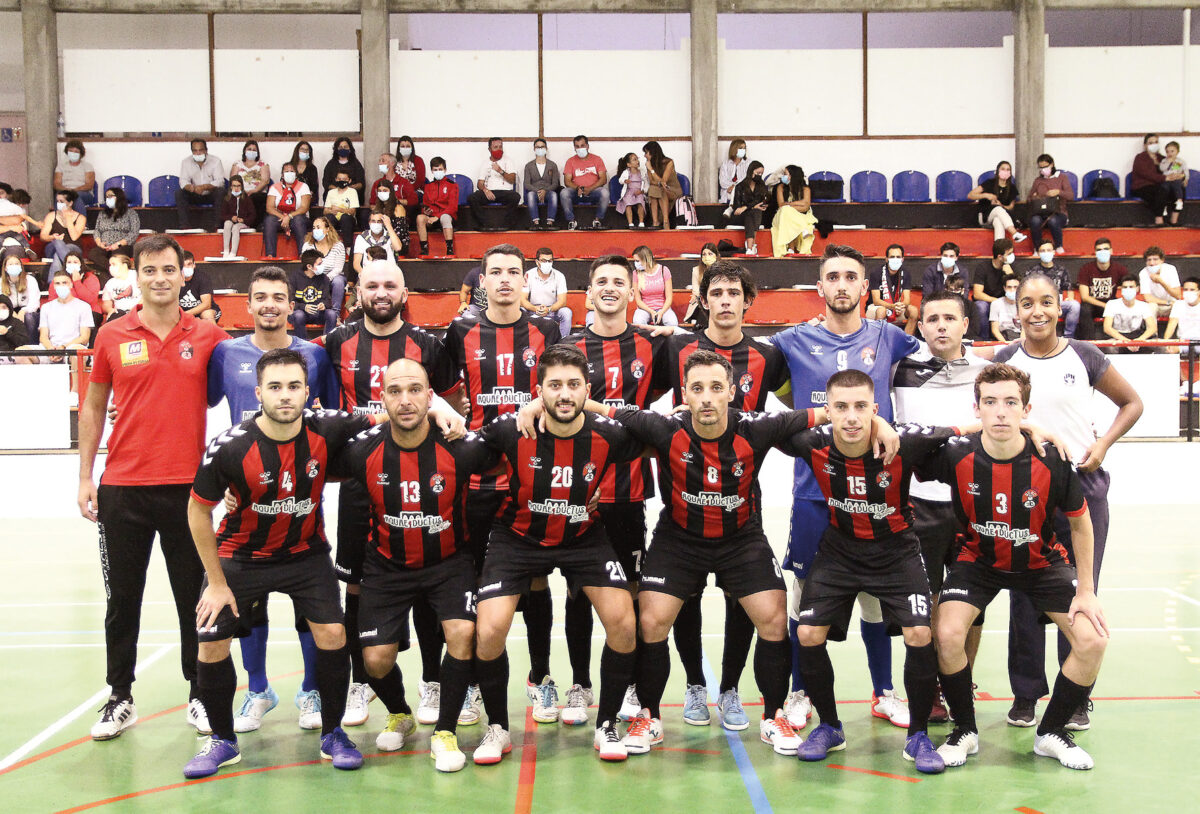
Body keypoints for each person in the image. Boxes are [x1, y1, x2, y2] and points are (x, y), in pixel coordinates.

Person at [596, 351, 825, 757]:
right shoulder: (665, 428)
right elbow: (603, 409)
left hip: (741, 539)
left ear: (732, 392)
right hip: (680, 538)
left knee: (773, 617)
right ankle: (649, 715)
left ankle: (773, 716)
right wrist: (539, 403)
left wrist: (876, 421)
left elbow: (822, 415)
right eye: (697, 388)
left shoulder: (756, 427)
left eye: (716, 388)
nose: (706, 398)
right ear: (684, 393)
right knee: (650, 620)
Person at [183, 348, 373, 778]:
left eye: (293, 387)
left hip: (305, 554)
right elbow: (197, 511)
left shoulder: (328, 428)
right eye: (275, 387)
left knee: (332, 632)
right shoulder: (231, 446)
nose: (285, 396)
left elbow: (395, 416)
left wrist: (440, 410)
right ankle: (223, 740)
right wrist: (215, 583)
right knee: (211, 640)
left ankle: (333, 732)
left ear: (308, 391)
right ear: (259, 393)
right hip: (240, 555)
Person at [77, 234, 230, 741]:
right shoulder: (111, 334)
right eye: (150, 270)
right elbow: (95, 406)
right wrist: (84, 477)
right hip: (123, 488)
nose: (160, 278)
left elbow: (244, 390)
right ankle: (119, 697)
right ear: (136, 276)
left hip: (190, 494)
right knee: (123, 600)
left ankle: (200, 694)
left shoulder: (209, 335)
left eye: (169, 269)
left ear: (183, 273)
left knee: (196, 599)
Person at [769, 244, 922, 732]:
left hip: (878, 495)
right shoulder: (790, 341)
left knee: (875, 600)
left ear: (864, 287)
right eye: (831, 276)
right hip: (814, 495)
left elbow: (947, 359)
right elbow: (755, 378)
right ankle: (798, 693)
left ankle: (884, 692)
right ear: (820, 287)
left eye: (849, 277)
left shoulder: (890, 336)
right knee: (803, 596)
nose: (840, 284)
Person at [928, 364, 1109, 771]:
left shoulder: (1052, 460)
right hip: (977, 560)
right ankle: (965, 730)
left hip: (1041, 563)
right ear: (976, 409)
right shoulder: (955, 455)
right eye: (990, 403)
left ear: (1027, 410)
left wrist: (1086, 591)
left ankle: (1052, 732)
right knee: (947, 632)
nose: (1000, 412)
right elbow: (907, 446)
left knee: (1093, 640)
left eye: (1011, 403)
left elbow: (1081, 525)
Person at [473, 346, 643, 763]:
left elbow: (660, 432)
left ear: (587, 389)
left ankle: (606, 724)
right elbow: (462, 449)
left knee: (624, 622)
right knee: (490, 629)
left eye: (573, 386)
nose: (564, 395)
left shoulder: (611, 435)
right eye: (554, 386)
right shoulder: (511, 430)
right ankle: (497, 727)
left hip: (583, 536)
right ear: (539, 391)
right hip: (517, 537)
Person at [992, 273, 1142, 732]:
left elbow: (1132, 404)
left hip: (1082, 492)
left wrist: (1103, 447)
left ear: (1062, 307)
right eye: (1027, 303)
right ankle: (1025, 694)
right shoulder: (1005, 359)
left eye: (1046, 302)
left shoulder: (1087, 355)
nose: (1037, 311)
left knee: (1081, 591)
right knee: (1023, 595)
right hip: (1023, 496)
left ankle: (1074, 697)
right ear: (1015, 310)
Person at [319, 260, 465, 730]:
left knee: (424, 578)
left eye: (390, 285)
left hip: (421, 479)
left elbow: (451, 403)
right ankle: (362, 680)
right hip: (362, 483)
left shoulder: (427, 344)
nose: (381, 293)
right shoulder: (336, 341)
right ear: (357, 291)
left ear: (405, 292)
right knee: (358, 583)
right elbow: (325, 411)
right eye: (372, 285)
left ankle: (431, 680)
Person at [787, 371, 952, 774]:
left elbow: (967, 428)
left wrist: (1031, 425)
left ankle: (918, 735)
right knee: (808, 633)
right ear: (827, 411)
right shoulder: (812, 443)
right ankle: (829, 726)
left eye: (862, 407)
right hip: (839, 551)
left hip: (896, 552)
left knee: (919, 632)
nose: (851, 417)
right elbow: (763, 426)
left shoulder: (905, 442)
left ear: (875, 409)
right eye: (841, 407)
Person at [331, 358, 490, 772]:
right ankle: (400, 713)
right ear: (382, 398)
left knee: (463, 632)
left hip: (449, 562)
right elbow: (302, 468)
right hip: (386, 565)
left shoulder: (461, 446)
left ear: (430, 396)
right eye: (395, 391)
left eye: (416, 390)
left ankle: (446, 731)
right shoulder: (362, 450)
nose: (406, 400)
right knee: (376, 661)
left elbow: (521, 463)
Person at [205, 267, 336, 731]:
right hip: (244, 499)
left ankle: (312, 691)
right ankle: (258, 689)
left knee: (311, 606)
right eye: (260, 297)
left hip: (300, 497)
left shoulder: (314, 356)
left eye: (278, 298)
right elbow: (200, 408)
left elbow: (328, 420)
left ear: (291, 305)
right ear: (248, 304)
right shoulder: (225, 353)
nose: (270, 306)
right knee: (249, 607)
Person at [664, 262, 792, 731]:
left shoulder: (766, 356)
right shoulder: (677, 346)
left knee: (744, 600)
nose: (724, 300)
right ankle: (695, 684)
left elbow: (797, 400)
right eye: (715, 292)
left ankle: (731, 688)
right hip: (685, 501)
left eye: (732, 292)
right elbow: (637, 399)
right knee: (687, 599)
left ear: (746, 300)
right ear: (703, 299)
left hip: (741, 502)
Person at [549, 255, 671, 726]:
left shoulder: (650, 345)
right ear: (588, 292)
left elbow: (653, 411)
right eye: (601, 281)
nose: (610, 288)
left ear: (632, 291)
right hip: (578, 493)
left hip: (630, 492)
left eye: (619, 282)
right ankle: (580, 684)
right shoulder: (569, 346)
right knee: (580, 592)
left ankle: (633, 689)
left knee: (633, 594)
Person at [444, 245, 562, 725]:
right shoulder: (460, 331)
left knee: (535, 580)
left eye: (515, 271)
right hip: (477, 477)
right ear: (483, 281)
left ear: (527, 279)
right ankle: (471, 683)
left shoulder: (547, 330)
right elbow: (444, 389)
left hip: (532, 476)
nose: (507, 280)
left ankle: (541, 678)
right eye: (496, 272)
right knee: (475, 583)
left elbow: (561, 388)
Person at [892, 290, 993, 724]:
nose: (940, 326)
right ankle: (931, 683)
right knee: (928, 601)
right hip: (920, 507)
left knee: (973, 604)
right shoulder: (900, 372)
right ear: (921, 325)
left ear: (965, 324)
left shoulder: (988, 373)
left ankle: (962, 680)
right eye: (931, 319)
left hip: (976, 507)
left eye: (949, 318)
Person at [19, 268, 91, 362]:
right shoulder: (46, 307)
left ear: (71, 284)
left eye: (64, 283)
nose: (61, 286)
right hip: (50, 348)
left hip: (71, 347)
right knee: (20, 353)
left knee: (77, 355)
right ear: (54, 286)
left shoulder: (84, 306)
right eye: (57, 283)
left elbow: (84, 338)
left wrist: (63, 347)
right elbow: (43, 336)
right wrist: (51, 349)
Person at [1075, 237, 1127, 340]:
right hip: (1093, 305)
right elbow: (1085, 297)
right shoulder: (1086, 269)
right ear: (1095, 252)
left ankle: (1123, 340)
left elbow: (1130, 287)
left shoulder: (1120, 269)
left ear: (1111, 251)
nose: (1102, 252)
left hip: (1111, 302)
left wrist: (1112, 305)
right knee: (1084, 308)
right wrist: (1105, 305)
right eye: (1099, 250)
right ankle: (1089, 342)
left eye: (1106, 249)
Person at [1027, 240, 1081, 337]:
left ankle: (1068, 336)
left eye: (1048, 250)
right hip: (1039, 304)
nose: (1046, 253)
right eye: (1043, 251)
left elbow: (1069, 289)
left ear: (1053, 252)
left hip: (1057, 304)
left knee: (1074, 305)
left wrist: (1070, 298)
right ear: (1038, 253)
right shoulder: (1032, 271)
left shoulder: (1062, 270)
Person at [1130, 133, 1184, 225]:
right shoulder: (1140, 158)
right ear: (1145, 145)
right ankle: (1159, 220)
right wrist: (1165, 178)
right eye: (1150, 143)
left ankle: (1174, 220)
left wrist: (1180, 176)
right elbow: (1148, 174)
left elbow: (1174, 168)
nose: (1154, 144)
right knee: (1161, 191)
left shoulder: (1163, 158)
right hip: (1142, 186)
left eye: (1156, 142)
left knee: (1180, 189)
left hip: (1160, 184)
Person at [262, 163, 312, 260]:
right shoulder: (275, 187)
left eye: (292, 171)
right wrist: (283, 217)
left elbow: (304, 208)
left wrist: (289, 217)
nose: (289, 173)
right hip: (280, 217)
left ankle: (303, 254)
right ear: (282, 174)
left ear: (296, 174)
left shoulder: (303, 186)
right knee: (269, 220)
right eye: (286, 171)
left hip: (298, 217)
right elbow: (269, 207)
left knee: (298, 220)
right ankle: (270, 255)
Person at [302, 216, 348, 319]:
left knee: (339, 281)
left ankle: (336, 315)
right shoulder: (307, 246)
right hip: (314, 277)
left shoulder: (338, 245)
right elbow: (306, 266)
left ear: (327, 229)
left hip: (332, 277)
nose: (315, 230)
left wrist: (326, 279)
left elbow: (338, 268)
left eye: (318, 227)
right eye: (314, 228)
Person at [967, 160, 1025, 243]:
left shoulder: (1012, 187)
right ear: (998, 171)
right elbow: (970, 195)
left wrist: (1001, 205)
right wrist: (986, 195)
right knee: (998, 209)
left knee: (998, 220)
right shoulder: (989, 183)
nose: (1005, 171)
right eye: (1003, 169)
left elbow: (1011, 207)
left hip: (1003, 217)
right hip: (986, 217)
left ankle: (999, 250)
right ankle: (1014, 233)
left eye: (1008, 170)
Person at [469, 137, 520, 228]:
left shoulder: (508, 161)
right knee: (472, 198)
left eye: (500, 147)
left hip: (505, 192)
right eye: (495, 147)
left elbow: (512, 179)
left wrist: (500, 171)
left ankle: (506, 225)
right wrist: (485, 190)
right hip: (490, 192)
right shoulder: (485, 163)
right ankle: (485, 224)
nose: (499, 149)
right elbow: (480, 183)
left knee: (515, 197)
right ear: (489, 149)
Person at [561, 135, 610, 231]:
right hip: (577, 192)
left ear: (587, 146)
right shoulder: (570, 161)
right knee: (564, 193)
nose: (580, 148)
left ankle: (597, 220)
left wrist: (590, 188)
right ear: (574, 148)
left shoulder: (597, 159)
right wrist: (578, 188)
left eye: (582, 145)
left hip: (594, 191)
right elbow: (567, 181)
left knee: (605, 193)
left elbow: (603, 179)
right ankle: (571, 221)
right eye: (577, 146)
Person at [88, 187, 140, 274]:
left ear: (119, 197)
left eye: (110, 196)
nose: (108, 199)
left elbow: (134, 233)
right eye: (106, 197)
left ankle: (111, 273)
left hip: (123, 247)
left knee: (117, 255)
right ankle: (112, 271)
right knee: (93, 253)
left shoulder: (131, 213)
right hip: (105, 247)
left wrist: (118, 244)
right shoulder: (102, 214)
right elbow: (97, 230)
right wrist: (99, 243)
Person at [1027, 153, 1072, 254]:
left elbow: (1070, 196)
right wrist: (1035, 197)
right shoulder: (1038, 181)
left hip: (1058, 213)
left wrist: (1058, 192)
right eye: (1041, 167)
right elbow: (1029, 199)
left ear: (1052, 164)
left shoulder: (1062, 178)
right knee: (1034, 221)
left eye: (1046, 166)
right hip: (1040, 212)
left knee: (1053, 220)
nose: (1043, 169)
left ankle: (1059, 246)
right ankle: (1037, 248)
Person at [867, 244, 917, 335]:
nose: (895, 259)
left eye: (898, 257)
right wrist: (892, 306)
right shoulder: (876, 272)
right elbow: (876, 300)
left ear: (902, 259)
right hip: (875, 308)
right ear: (886, 259)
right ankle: (878, 343)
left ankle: (905, 342)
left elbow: (907, 300)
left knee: (914, 311)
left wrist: (900, 305)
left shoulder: (905, 273)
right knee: (882, 311)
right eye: (892, 257)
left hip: (896, 307)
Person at [971, 239, 1016, 339]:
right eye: (1009, 253)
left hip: (1008, 300)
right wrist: (997, 301)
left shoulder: (1011, 267)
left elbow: (1019, 289)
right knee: (981, 307)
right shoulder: (983, 267)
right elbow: (977, 294)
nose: (1012, 255)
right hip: (988, 301)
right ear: (1000, 256)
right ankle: (984, 340)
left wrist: (1010, 274)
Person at [177, 138, 225, 230]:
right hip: (194, 193)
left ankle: (217, 227)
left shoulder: (216, 161)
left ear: (206, 150)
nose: (198, 153)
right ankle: (185, 227)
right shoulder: (186, 162)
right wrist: (191, 188)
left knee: (221, 192)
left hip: (210, 194)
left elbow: (220, 181)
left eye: (200, 150)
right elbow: (183, 181)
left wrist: (205, 187)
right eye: (195, 151)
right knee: (179, 193)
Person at [522, 248, 572, 337]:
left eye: (550, 261)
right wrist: (535, 309)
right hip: (533, 310)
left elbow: (562, 301)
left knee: (566, 312)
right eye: (544, 261)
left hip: (552, 310)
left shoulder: (559, 276)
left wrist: (548, 309)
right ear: (537, 262)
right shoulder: (528, 275)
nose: (547, 263)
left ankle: (563, 343)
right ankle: (523, 341)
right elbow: (523, 299)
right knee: (521, 310)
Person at [1101, 275, 1157, 352]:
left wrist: (1139, 341)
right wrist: (1126, 342)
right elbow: (1107, 328)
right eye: (1125, 287)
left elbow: (1152, 328)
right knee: (1110, 347)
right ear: (1121, 289)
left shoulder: (1144, 305)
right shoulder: (1111, 304)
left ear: (1137, 288)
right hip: (1118, 337)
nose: (1128, 289)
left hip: (1137, 336)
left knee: (1160, 346)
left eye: (1131, 287)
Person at [771, 165, 817, 257]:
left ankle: (791, 249)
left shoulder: (805, 189)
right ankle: (802, 229)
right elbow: (781, 205)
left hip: (800, 215)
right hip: (781, 215)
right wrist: (796, 204)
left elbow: (806, 206)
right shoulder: (780, 187)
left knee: (788, 212)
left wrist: (789, 204)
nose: (783, 176)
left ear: (794, 175)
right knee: (785, 211)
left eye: (786, 174)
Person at [289, 249, 336, 337]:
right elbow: (290, 302)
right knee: (298, 315)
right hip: (301, 312)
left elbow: (328, 301)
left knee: (332, 314)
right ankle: (302, 345)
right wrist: (304, 307)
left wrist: (324, 305)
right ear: (309, 266)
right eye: (319, 264)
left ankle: (328, 343)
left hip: (318, 313)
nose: (322, 266)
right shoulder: (294, 278)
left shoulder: (324, 278)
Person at [416, 158, 457, 257]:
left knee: (445, 217)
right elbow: (425, 204)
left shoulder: (452, 185)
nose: (438, 172)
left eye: (440, 169)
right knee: (420, 218)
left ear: (445, 170)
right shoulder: (428, 186)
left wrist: (437, 216)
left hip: (446, 216)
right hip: (431, 217)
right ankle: (424, 249)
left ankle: (450, 249)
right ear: (432, 171)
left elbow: (452, 207)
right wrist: (426, 212)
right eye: (435, 170)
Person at [39, 190, 86, 275]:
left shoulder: (80, 218)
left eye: (61, 201)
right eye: (57, 201)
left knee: (57, 256)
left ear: (70, 203)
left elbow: (74, 237)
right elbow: (43, 236)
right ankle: (73, 271)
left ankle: (52, 282)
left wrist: (68, 218)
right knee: (58, 242)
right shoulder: (51, 216)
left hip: (73, 248)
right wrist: (53, 237)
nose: (59, 203)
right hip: (52, 247)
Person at [731, 161, 770, 255]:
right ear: (751, 171)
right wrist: (751, 207)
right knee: (751, 213)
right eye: (757, 173)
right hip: (741, 216)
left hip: (757, 214)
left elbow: (762, 201)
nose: (759, 175)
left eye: (761, 173)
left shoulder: (762, 186)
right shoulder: (740, 186)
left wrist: (747, 207)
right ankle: (752, 245)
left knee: (755, 212)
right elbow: (737, 209)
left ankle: (749, 247)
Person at [631, 246, 676, 326]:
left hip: (663, 308)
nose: (635, 263)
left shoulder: (664, 270)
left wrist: (661, 312)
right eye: (635, 261)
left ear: (646, 259)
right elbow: (638, 300)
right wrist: (651, 311)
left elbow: (669, 298)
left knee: (672, 322)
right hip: (645, 309)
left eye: (637, 261)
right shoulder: (636, 273)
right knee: (638, 321)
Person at [642, 141, 681, 230]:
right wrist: (659, 183)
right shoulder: (649, 163)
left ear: (652, 152)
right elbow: (652, 181)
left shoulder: (669, 162)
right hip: (659, 189)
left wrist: (651, 169)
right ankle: (655, 222)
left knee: (660, 189)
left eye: (646, 152)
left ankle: (665, 221)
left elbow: (664, 182)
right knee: (653, 188)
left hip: (672, 190)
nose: (644, 155)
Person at [523, 138, 561, 229]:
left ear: (546, 148)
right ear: (534, 149)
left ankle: (550, 222)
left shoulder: (552, 165)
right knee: (531, 195)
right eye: (537, 147)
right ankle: (536, 223)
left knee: (554, 195)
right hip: (534, 191)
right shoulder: (529, 166)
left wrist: (545, 191)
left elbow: (555, 183)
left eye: (542, 147)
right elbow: (527, 184)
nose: (540, 149)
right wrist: (539, 191)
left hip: (549, 191)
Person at [229, 139, 271, 222]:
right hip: (239, 191)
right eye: (249, 149)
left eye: (254, 150)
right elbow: (233, 179)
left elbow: (265, 180)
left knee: (255, 198)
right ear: (245, 150)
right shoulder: (237, 164)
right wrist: (241, 191)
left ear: (257, 152)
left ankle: (252, 224)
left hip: (258, 192)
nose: (251, 151)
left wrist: (254, 190)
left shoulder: (263, 164)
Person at [1, 251, 40, 337]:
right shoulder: (0, 282)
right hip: (8, 311)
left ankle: (30, 345)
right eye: (10, 264)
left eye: (17, 264)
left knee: (29, 318)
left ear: (21, 267)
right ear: (5, 268)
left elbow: (35, 302)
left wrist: (23, 311)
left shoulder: (30, 280)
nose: (14, 266)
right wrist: (12, 313)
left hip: (28, 311)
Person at [218, 177, 257, 260]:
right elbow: (222, 215)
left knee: (236, 228)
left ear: (242, 187)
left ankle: (233, 252)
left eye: (238, 186)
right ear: (231, 187)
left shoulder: (247, 199)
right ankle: (226, 250)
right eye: (234, 186)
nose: (236, 188)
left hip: (243, 223)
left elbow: (253, 215)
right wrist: (231, 218)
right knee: (227, 224)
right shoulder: (227, 199)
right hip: (232, 220)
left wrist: (244, 220)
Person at [1137, 245, 1181, 318]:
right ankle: (1152, 329)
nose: (1152, 263)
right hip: (1157, 304)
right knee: (1150, 307)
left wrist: (1161, 282)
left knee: (1178, 307)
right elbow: (1148, 298)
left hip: (1171, 305)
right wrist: (1167, 302)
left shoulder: (1171, 269)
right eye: (1149, 260)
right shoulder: (1143, 273)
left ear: (1162, 260)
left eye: (1155, 259)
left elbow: (1178, 295)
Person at [54, 139, 96, 214]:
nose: (73, 153)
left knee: (76, 196)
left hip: (84, 194)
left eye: (76, 152)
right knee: (59, 197)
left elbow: (89, 185)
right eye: (70, 151)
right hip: (65, 192)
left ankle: (82, 224)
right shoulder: (61, 166)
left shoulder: (87, 166)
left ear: (81, 154)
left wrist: (74, 190)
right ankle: (58, 222)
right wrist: (67, 190)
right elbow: (57, 184)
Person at [683, 242, 718, 328]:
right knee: (704, 306)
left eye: (710, 254)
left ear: (716, 256)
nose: (707, 257)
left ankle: (700, 331)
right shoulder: (696, 270)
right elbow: (696, 291)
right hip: (701, 301)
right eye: (704, 254)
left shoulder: (722, 270)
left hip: (717, 300)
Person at [323, 169, 361, 246]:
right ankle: (330, 244)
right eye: (339, 179)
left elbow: (352, 211)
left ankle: (348, 246)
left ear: (349, 181)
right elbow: (325, 211)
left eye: (344, 179)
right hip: (334, 219)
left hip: (348, 220)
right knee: (328, 217)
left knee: (345, 217)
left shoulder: (352, 192)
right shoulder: (331, 192)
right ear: (336, 179)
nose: (341, 181)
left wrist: (340, 209)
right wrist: (330, 211)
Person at [179, 252, 221, 323]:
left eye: (189, 264)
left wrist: (184, 315)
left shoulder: (202, 277)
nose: (186, 268)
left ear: (194, 265)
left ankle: (213, 334)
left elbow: (206, 304)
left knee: (207, 315)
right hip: (181, 312)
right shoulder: (173, 279)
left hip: (203, 311)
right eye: (183, 265)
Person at [65, 249, 102, 326]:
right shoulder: (61, 279)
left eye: (75, 262)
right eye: (69, 262)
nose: (72, 264)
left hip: (91, 311)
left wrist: (77, 282)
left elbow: (89, 300)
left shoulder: (91, 277)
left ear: (81, 264)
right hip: (69, 312)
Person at [322, 136, 365, 202]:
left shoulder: (356, 163)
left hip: (352, 197)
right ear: (336, 149)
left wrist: (350, 189)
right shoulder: (331, 164)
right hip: (334, 198)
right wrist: (337, 190)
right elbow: (325, 183)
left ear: (350, 149)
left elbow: (361, 183)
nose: (343, 149)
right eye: (340, 147)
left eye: (345, 147)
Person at [101, 252, 139, 320]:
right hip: (119, 314)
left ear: (124, 265)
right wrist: (109, 309)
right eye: (110, 265)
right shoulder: (110, 283)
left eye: (114, 264)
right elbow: (106, 303)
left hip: (139, 311)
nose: (111, 267)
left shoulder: (138, 276)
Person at [391, 136, 426, 211]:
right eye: (402, 146)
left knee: (413, 198)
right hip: (398, 191)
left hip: (415, 191)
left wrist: (407, 191)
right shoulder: (394, 161)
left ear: (412, 148)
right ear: (399, 148)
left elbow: (420, 180)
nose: (405, 148)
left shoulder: (418, 160)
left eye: (407, 146)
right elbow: (390, 178)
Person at [1158, 140, 1188, 224]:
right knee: (1164, 189)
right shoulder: (1164, 161)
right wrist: (1169, 163)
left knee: (1178, 186)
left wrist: (1185, 178)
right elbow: (1162, 169)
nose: (1170, 153)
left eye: (1172, 151)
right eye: (1167, 151)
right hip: (1167, 180)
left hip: (1176, 179)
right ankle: (1163, 206)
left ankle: (1179, 201)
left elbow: (1185, 171)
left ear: (1177, 152)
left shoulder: (1180, 162)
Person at [615, 152, 646, 229]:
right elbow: (620, 180)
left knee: (641, 204)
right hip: (629, 191)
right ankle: (630, 223)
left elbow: (646, 182)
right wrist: (625, 181)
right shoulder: (626, 172)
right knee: (628, 205)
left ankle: (641, 222)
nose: (637, 161)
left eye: (637, 159)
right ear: (629, 164)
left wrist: (642, 191)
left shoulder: (642, 172)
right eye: (634, 160)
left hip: (639, 192)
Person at [990, 274, 1022, 341]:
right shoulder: (996, 304)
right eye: (1009, 287)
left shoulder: (1024, 304)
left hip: (1020, 337)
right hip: (1003, 337)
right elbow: (995, 329)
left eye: (1015, 287)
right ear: (1004, 288)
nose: (1012, 290)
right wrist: (1005, 344)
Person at [719, 139, 749, 206]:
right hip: (728, 192)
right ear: (734, 149)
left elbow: (747, 179)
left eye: (744, 148)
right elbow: (722, 181)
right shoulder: (725, 164)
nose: (743, 150)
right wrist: (731, 186)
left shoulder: (748, 163)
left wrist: (735, 187)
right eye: (741, 148)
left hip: (742, 192)